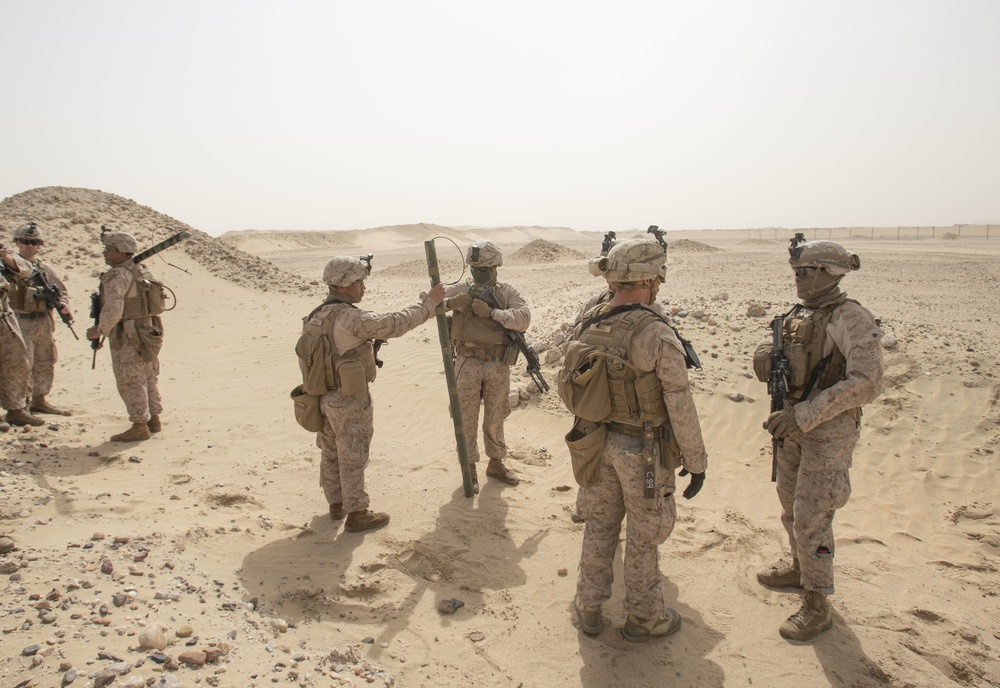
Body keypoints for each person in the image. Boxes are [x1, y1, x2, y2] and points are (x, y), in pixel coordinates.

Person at [567, 238, 708, 642]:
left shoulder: (590, 320)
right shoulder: (656, 333)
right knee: (644, 536)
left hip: (595, 445)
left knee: (599, 525)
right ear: (650, 278)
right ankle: (644, 617)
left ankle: (589, 605)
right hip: (643, 456)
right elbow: (679, 404)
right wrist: (696, 462)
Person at [754, 239, 884, 641]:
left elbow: (867, 382)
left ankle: (817, 601)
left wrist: (804, 415)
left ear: (832, 272)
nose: (798, 278)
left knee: (813, 516)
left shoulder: (851, 317)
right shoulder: (797, 315)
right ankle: (800, 568)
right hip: (791, 426)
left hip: (826, 433)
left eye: (806, 271)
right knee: (791, 507)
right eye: (795, 271)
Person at [304, 255, 445, 533]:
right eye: (359, 282)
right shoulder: (350, 318)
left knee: (331, 451)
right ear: (344, 285)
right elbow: (394, 323)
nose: (363, 288)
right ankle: (357, 513)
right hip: (348, 399)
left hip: (322, 398)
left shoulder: (316, 315)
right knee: (353, 453)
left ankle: (336, 504)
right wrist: (429, 304)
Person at [443, 241, 530, 490]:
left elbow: (523, 318)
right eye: (475, 268)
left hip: (496, 362)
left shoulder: (506, 291)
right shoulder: (461, 289)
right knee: (465, 416)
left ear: (495, 268)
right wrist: (451, 303)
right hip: (466, 360)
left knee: (496, 414)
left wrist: (492, 313)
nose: (479, 273)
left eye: (484, 269)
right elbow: (426, 303)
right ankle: (468, 465)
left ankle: (496, 462)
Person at [85, 232, 165, 443]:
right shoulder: (141, 270)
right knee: (148, 376)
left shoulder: (117, 274)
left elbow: (113, 308)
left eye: (109, 249)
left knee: (130, 380)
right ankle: (153, 419)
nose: (105, 253)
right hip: (147, 332)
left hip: (127, 335)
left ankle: (139, 425)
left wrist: (100, 330)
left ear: (119, 251)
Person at [8, 223, 73, 416]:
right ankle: (21, 405)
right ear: (18, 243)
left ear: (39, 245)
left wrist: (63, 303)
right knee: (22, 363)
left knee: (45, 360)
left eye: (34, 242)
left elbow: (60, 290)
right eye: (26, 242)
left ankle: (39, 399)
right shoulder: (9, 267)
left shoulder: (44, 269)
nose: (29, 246)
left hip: (43, 320)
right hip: (20, 320)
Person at [1, 240, 44, 430]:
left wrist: (5, 257)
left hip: (4, 313)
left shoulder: (7, 259)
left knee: (16, 362)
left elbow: (27, 271)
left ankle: (16, 410)